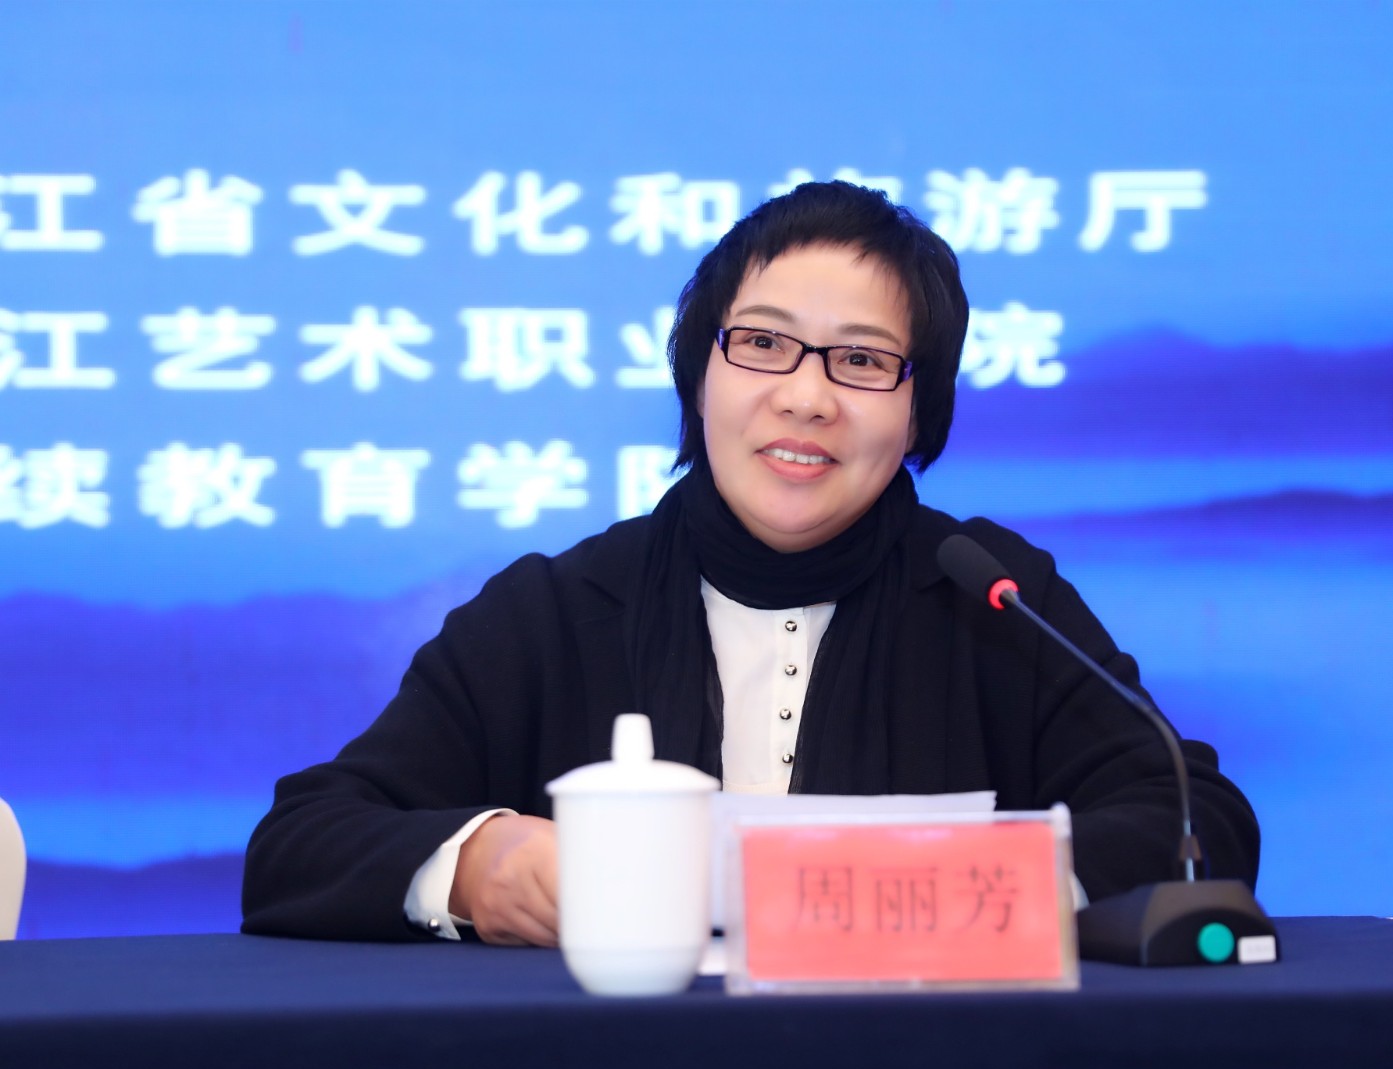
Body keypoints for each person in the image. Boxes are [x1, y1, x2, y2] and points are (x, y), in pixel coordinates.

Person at [241, 181, 1260, 945]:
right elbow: (298, 842)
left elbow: (1197, 819)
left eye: (861, 360)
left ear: (919, 414)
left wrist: (966, 884)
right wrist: (475, 867)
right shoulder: (555, 610)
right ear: (698, 376)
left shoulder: (987, 594)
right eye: (763, 344)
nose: (806, 397)